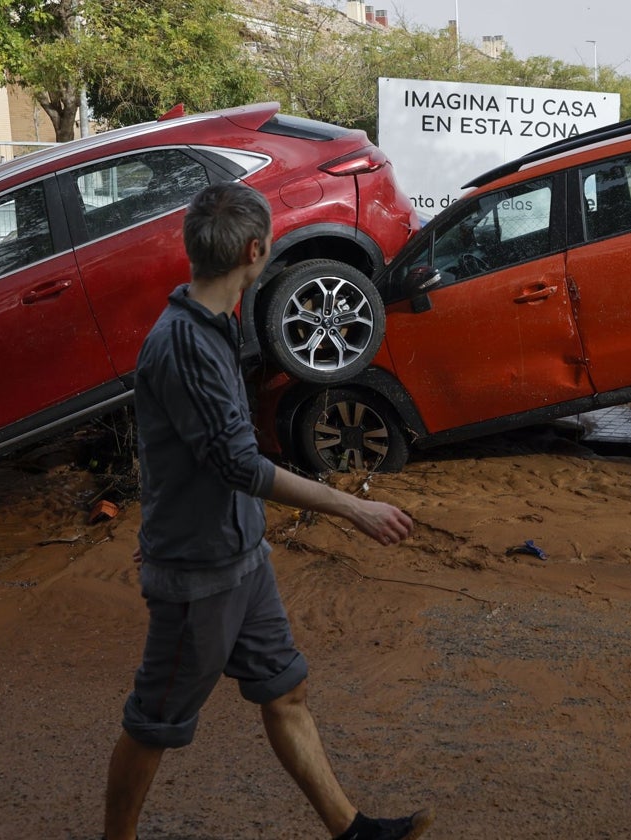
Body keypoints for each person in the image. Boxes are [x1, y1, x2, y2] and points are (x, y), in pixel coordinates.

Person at [103, 181, 433, 840]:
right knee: (155, 721)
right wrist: (350, 507)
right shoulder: (186, 345)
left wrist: (160, 517)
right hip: (201, 573)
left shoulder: (212, 323)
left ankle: (351, 831)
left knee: (285, 689)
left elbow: (170, 450)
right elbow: (238, 466)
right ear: (255, 251)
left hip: (241, 558)